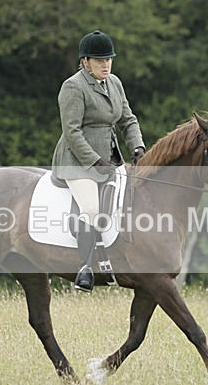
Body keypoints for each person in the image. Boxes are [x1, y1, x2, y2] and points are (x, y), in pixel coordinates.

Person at [51, 30, 146, 292]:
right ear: (85, 61)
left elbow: (128, 119)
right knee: (92, 210)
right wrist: (94, 161)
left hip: (110, 158)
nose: (106, 65)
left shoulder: (114, 83)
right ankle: (84, 268)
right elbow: (72, 132)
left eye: (109, 59)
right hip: (77, 162)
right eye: (99, 60)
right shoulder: (73, 87)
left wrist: (137, 146)